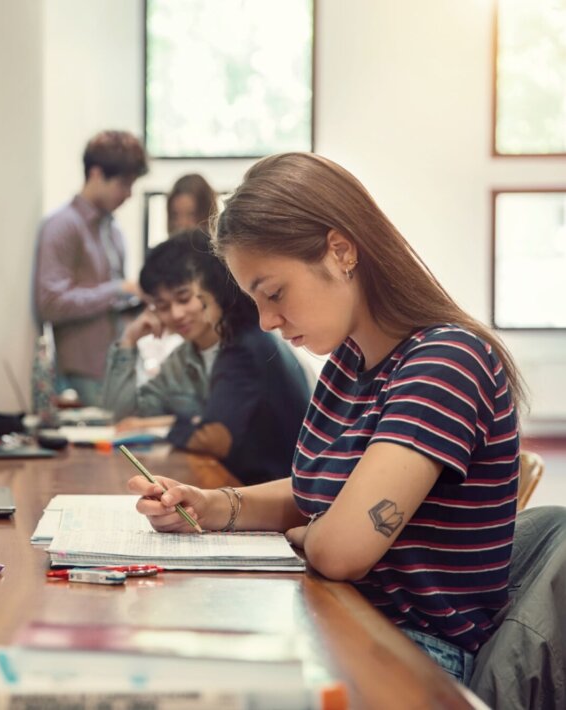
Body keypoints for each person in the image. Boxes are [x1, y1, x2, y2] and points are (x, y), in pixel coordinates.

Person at [128, 153, 523, 685]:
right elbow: (321, 493)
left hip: (413, 657)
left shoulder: (445, 361)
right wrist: (211, 505)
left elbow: (342, 550)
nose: (267, 320)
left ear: (340, 252)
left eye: (274, 293)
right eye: (255, 301)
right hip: (343, 620)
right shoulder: (349, 363)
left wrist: (312, 533)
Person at [102, 233, 310, 484]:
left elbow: (215, 437)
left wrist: (167, 425)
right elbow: (125, 420)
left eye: (187, 298)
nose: (177, 314)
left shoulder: (244, 347)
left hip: (273, 494)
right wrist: (127, 343)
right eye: (162, 306)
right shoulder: (184, 358)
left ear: (215, 291)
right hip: (237, 485)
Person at [34, 130, 147, 406]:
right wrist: (117, 290)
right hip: (82, 378)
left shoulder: (113, 231)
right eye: (124, 183)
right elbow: (49, 303)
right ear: (96, 174)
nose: (129, 194)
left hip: (118, 367)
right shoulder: (63, 225)